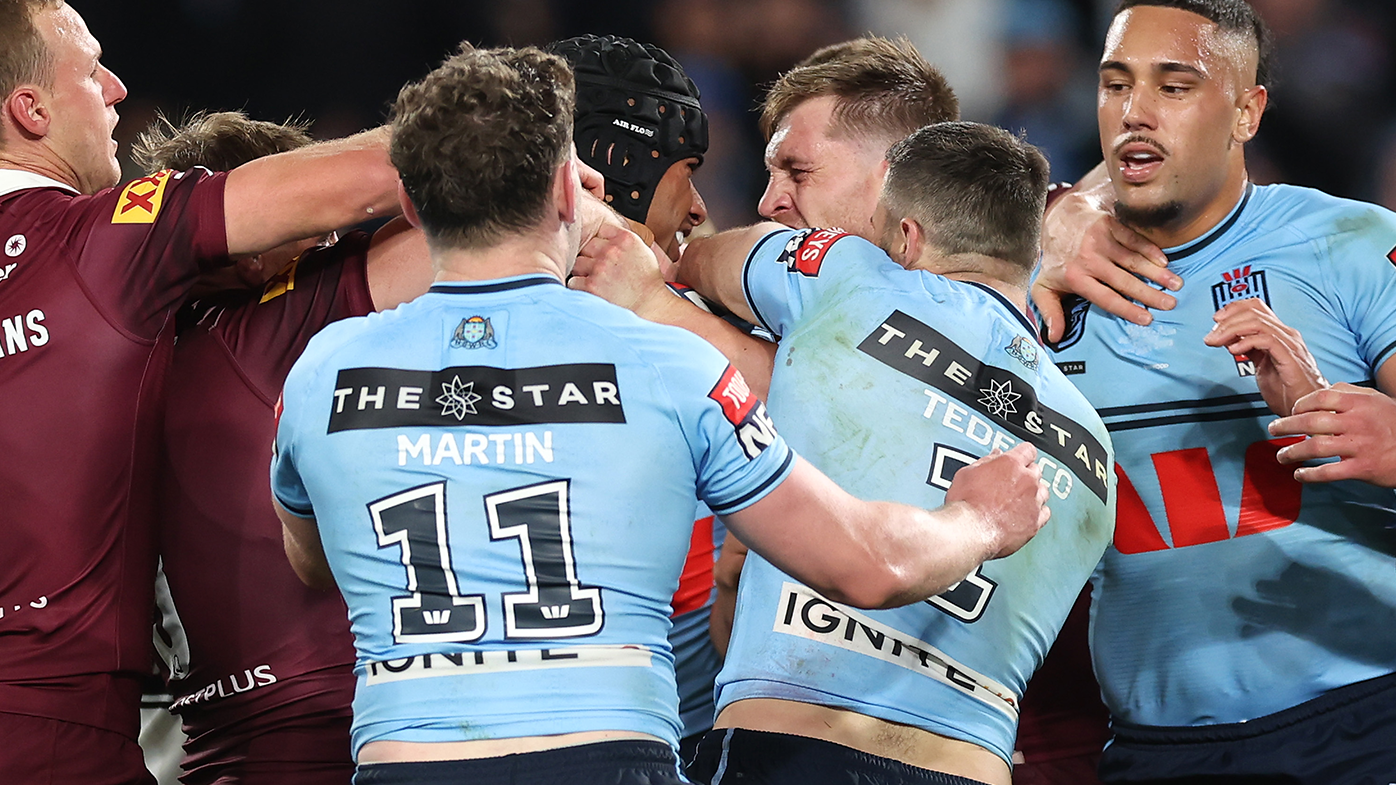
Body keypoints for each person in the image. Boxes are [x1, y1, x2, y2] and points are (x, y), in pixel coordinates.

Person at [270, 44, 1050, 785]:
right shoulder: (673, 366)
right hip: (606, 755)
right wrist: (979, 520)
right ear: (571, 190)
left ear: (411, 203)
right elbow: (866, 565)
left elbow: (315, 559)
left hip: (403, 757)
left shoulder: (320, 373)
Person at [571, 35, 1113, 781]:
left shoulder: (839, 278)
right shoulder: (1092, 437)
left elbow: (774, 344)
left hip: (774, 743)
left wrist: (648, 281)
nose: (766, 203)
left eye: (797, 171)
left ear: (897, 188)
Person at [0, 2, 401, 782]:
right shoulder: (104, 241)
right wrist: (518, 129)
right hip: (58, 732)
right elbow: (361, 179)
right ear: (31, 110)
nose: (116, 88)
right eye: (91, 70)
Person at [1044, 1, 1396, 781]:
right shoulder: (1046, 287)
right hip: (1156, 747)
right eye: (1115, 84)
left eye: (1174, 87)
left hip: (1365, 723)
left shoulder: (1354, 244)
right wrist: (1055, 215)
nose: (1133, 112)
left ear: (1247, 111)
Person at [135, 111, 433, 785]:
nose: (335, 245)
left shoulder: (122, 356)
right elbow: (485, 238)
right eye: (318, 230)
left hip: (208, 742)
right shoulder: (267, 325)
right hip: (331, 723)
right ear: (252, 237)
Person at [546, 33, 741, 762]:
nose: (697, 207)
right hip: (653, 725)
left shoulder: (441, 315)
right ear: (619, 164)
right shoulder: (691, 322)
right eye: (686, 173)